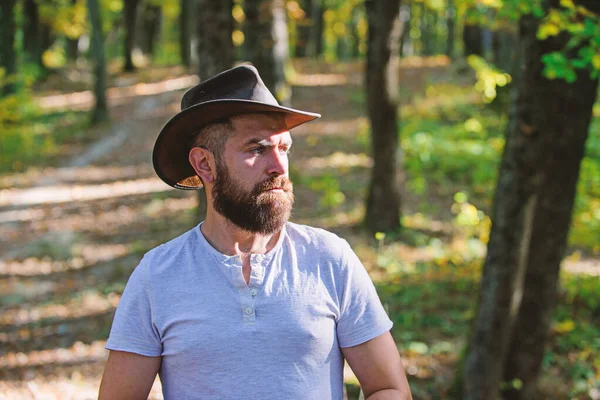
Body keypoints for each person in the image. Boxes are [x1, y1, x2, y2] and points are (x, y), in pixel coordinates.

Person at [99, 65, 412, 400]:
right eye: (257, 149)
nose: (279, 166)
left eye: (284, 148)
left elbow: (388, 388)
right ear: (204, 165)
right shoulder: (158, 275)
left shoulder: (329, 259)